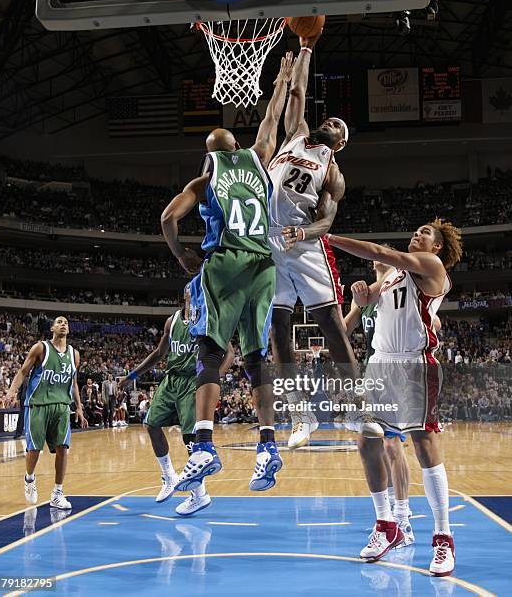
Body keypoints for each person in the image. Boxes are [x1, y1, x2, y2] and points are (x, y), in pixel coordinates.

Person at [161, 52, 295, 493]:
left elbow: (167, 219)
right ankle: (267, 447)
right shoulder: (257, 158)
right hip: (264, 266)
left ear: (209, 156)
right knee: (257, 360)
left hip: (226, 264)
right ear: (235, 148)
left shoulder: (203, 181)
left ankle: (202, 445)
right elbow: (273, 116)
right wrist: (282, 78)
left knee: (211, 356)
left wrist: (183, 256)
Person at [326, 219, 463, 577]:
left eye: (425, 234)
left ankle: (443, 537)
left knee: (424, 445)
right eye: (416, 231)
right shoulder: (389, 277)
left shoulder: (431, 266)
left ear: (437, 248)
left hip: (413, 364)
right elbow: (362, 307)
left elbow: (379, 252)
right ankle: (387, 524)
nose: (417, 234)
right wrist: (360, 297)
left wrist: (325, 237)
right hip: (380, 364)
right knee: (368, 443)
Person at [268, 33, 367, 448]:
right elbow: (300, 92)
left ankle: (360, 407)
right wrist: (306, 49)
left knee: (330, 325)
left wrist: (301, 232)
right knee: (277, 326)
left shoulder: (333, 172)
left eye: (337, 126)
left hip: (305, 245)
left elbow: (326, 221)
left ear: (341, 143)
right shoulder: (297, 134)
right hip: (269, 242)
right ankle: (299, 412)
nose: (330, 123)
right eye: (330, 120)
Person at [119, 285, 233, 515]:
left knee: (192, 440)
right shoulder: (171, 322)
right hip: (171, 380)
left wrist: (211, 380)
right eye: (192, 289)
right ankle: (169, 475)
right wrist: (133, 375)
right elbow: (159, 354)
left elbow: (229, 353)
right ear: (185, 295)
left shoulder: (209, 317)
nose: (196, 290)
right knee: (151, 424)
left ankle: (199, 495)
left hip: (194, 380)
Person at [6, 315, 88, 509]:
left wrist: (79, 407)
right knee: (34, 449)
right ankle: (29, 478)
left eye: (66, 322)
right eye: (59, 322)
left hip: (61, 406)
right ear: (52, 328)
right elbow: (23, 371)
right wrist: (11, 390)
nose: (63, 324)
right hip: (38, 405)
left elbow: (74, 382)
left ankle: (57, 493)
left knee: (63, 448)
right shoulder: (41, 348)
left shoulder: (74, 354)